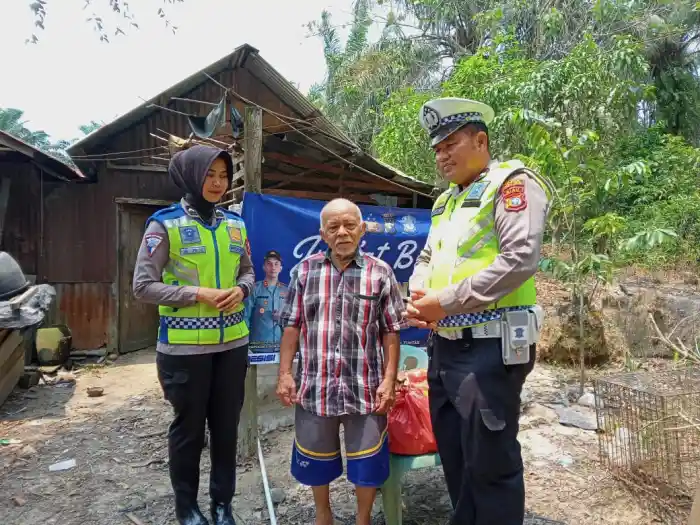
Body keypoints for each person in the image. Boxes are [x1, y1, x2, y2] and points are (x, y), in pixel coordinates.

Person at [404, 98, 553, 525]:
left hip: (489, 348)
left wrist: (444, 302)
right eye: (436, 148)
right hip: (446, 349)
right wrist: (419, 292)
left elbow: (519, 258)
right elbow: (428, 257)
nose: (441, 155)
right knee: (455, 453)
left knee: (490, 461)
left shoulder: (511, 184)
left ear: (481, 140)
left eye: (450, 143)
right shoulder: (445, 203)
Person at [132, 144, 254, 525]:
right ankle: (187, 508)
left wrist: (244, 290)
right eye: (209, 175)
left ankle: (222, 504)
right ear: (190, 176)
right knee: (188, 431)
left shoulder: (236, 224)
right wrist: (196, 294)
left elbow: (248, 271)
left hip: (233, 346)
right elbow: (142, 286)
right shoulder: (163, 224)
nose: (217, 183)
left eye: (223, 175)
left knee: (225, 429)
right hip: (184, 350)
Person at [275, 198, 405, 525]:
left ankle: (363, 519)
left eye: (349, 225)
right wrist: (285, 374)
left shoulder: (380, 273)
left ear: (362, 230)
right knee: (316, 460)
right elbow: (292, 325)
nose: (342, 233)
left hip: (366, 387)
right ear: (323, 234)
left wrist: (389, 380)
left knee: (368, 465)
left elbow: (391, 331)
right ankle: (324, 514)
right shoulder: (304, 271)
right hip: (315, 385)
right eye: (333, 227)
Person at [244, 250, 287, 352]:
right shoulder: (254, 289)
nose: (273, 267)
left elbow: (295, 322)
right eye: (269, 264)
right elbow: (245, 319)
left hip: (282, 350)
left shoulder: (287, 291)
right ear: (264, 267)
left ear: (281, 268)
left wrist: (283, 318)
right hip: (258, 350)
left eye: (276, 264)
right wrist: (245, 348)